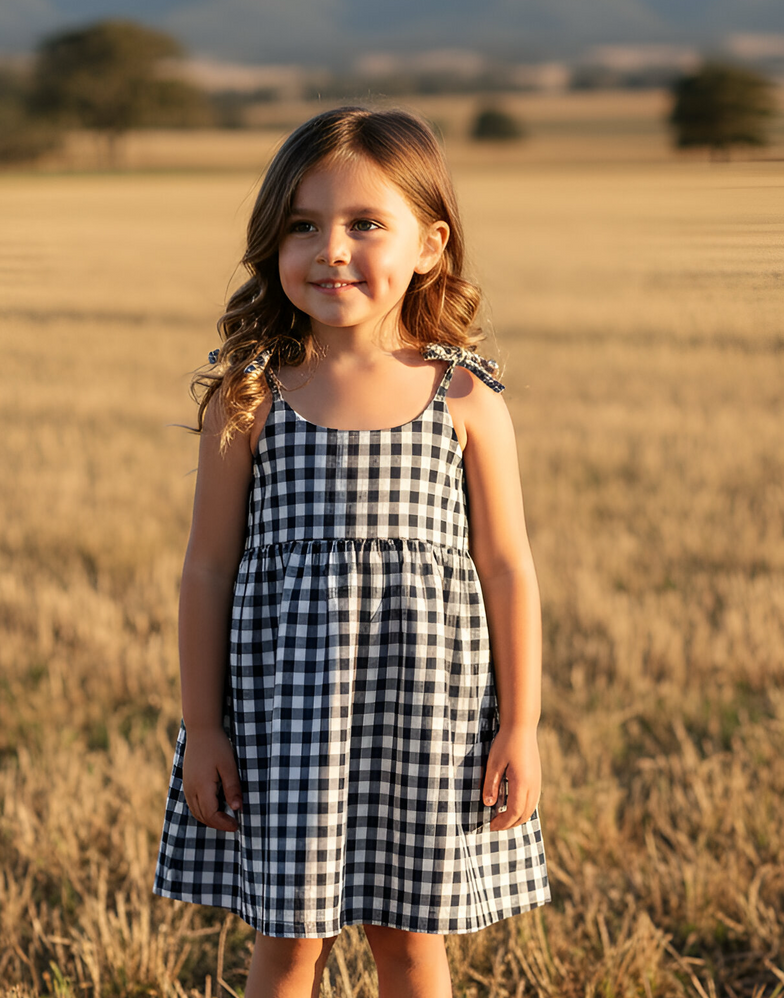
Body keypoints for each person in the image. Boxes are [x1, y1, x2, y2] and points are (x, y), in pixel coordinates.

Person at [154, 106, 549, 997]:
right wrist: (204, 728)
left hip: (429, 723)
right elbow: (207, 570)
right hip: (286, 726)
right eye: (303, 225)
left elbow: (508, 570)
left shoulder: (466, 399)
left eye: (365, 224)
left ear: (430, 244)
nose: (331, 249)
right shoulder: (251, 399)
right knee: (289, 946)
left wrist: (520, 725)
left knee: (410, 943)